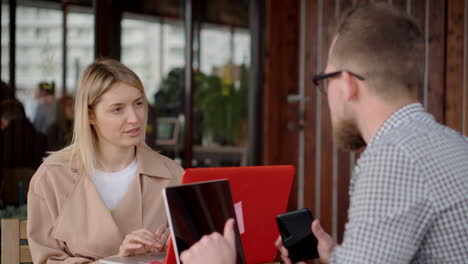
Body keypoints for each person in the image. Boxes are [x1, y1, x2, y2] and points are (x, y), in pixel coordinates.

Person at [182, 3, 468, 264]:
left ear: (346, 83)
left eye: (324, 80)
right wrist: (337, 257)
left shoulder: (393, 158)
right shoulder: (456, 143)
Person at [27, 59, 184, 264]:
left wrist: (170, 252)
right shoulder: (52, 178)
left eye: (138, 103)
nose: (135, 118)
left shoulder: (174, 175)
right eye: (118, 109)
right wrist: (118, 261)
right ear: (90, 115)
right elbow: (47, 260)